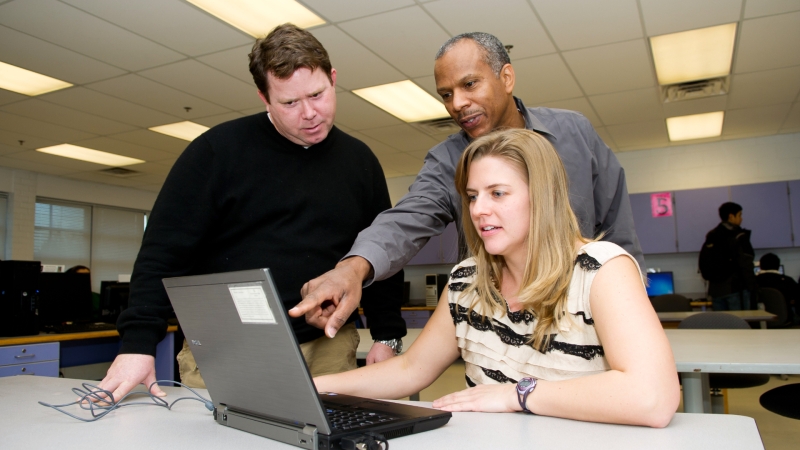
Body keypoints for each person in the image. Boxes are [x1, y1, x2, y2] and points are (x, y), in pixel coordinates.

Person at [96, 23, 406, 401]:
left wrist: (387, 335)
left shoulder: (360, 162)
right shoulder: (215, 153)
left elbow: (379, 256)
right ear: (264, 97)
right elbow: (162, 254)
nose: (309, 113)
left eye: (318, 94)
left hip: (327, 347)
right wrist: (138, 344)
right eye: (290, 103)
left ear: (333, 78)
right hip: (227, 348)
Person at [315, 129, 678, 427]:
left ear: (543, 197)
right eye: (472, 196)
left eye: (498, 193)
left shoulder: (602, 270)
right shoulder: (466, 282)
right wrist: (311, 387)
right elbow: (410, 369)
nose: (478, 210)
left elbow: (653, 397)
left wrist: (515, 394)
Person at [293, 31, 643, 340]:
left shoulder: (574, 133)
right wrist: (351, 270)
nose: (457, 104)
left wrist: (635, 310)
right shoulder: (448, 160)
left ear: (506, 77)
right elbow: (405, 220)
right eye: (446, 94)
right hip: (495, 337)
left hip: (583, 329)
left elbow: (617, 233)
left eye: (469, 84)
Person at [700, 202, 756, 311]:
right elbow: (746, 264)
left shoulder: (711, 235)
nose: (741, 219)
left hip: (715, 291)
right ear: (731, 216)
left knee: (722, 325)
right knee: (740, 324)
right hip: (735, 289)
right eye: (739, 215)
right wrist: (753, 288)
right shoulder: (738, 236)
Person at [757, 253, 798, 325]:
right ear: (778, 266)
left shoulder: (753, 281)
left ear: (760, 266)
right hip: (785, 320)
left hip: (758, 322)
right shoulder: (787, 281)